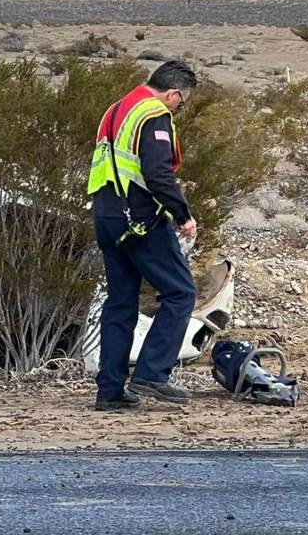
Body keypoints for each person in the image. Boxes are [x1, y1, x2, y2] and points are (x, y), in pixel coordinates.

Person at [86, 60, 198, 411]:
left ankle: (111, 391)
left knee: (120, 302)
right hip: (139, 219)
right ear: (174, 93)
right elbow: (157, 173)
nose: (182, 107)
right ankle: (152, 373)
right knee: (181, 293)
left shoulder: (117, 109)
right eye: (184, 101)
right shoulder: (153, 114)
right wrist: (183, 215)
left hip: (105, 215)